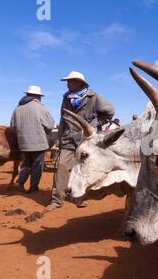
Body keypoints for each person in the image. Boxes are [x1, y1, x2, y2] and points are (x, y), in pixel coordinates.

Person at [47, 71, 115, 211]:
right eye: (67, 81)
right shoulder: (66, 98)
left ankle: (80, 198)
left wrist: (94, 125)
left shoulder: (93, 97)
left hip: (84, 141)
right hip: (67, 139)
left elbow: (109, 111)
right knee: (62, 167)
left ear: (79, 82)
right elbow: (63, 119)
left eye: (70, 81)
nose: (67, 84)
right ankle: (56, 200)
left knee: (82, 170)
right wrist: (59, 138)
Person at [11, 86, 55, 194]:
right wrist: (45, 133)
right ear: (37, 96)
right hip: (38, 142)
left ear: (27, 95)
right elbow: (50, 124)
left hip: (23, 143)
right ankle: (33, 188)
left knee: (27, 164)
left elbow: (13, 126)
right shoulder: (39, 107)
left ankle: (20, 183)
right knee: (37, 165)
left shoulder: (17, 108)